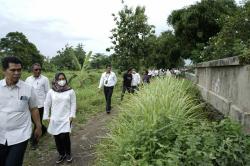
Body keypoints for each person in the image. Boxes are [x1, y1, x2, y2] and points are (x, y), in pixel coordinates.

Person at [0, 56, 42, 166]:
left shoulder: (28, 88)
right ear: (4, 70)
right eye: (13, 70)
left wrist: (38, 126)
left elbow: (34, 108)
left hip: (20, 135)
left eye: (19, 70)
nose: (17, 73)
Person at [43, 72, 76, 164]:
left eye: (63, 79)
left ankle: (68, 153)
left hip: (66, 118)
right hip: (55, 118)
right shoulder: (51, 91)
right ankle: (61, 154)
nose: (62, 81)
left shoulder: (70, 91)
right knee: (57, 137)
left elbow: (73, 104)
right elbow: (47, 104)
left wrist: (72, 115)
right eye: (59, 79)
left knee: (65, 137)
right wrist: (46, 116)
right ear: (56, 80)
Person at [25, 63, 50, 149]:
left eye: (39, 69)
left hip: (41, 105)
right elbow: (25, 91)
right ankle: (44, 129)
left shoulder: (45, 79)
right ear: (32, 70)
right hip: (31, 105)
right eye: (36, 69)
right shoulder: (28, 79)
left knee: (36, 124)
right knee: (35, 121)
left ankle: (34, 141)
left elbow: (48, 92)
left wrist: (47, 104)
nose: (38, 71)